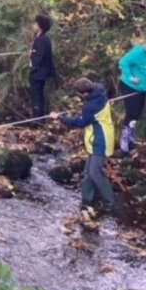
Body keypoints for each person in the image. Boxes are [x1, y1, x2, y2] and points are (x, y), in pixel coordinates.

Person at [50, 78, 116, 212]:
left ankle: (110, 204)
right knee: (87, 173)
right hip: (94, 139)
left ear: (85, 93)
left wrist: (59, 118)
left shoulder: (92, 106)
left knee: (95, 173)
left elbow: (80, 122)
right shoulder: (99, 89)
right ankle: (87, 200)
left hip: (101, 141)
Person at [29, 14, 56, 118]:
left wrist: (33, 69)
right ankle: (39, 118)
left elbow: (39, 57)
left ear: (40, 26)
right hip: (41, 72)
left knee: (37, 96)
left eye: (35, 24)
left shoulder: (41, 39)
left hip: (38, 73)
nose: (33, 26)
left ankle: (37, 120)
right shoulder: (43, 38)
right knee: (39, 96)